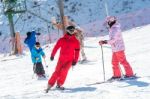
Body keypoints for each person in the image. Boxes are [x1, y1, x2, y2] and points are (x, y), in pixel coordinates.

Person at [45, 25, 80, 92]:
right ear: (67, 31)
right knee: (57, 72)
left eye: (73, 30)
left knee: (64, 71)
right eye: (71, 30)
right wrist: (52, 55)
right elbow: (56, 47)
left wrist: (75, 60)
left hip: (70, 60)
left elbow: (77, 51)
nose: (72, 32)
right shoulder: (62, 40)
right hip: (61, 59)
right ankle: (50, 84)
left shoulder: (76, 41)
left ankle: (59, 84)